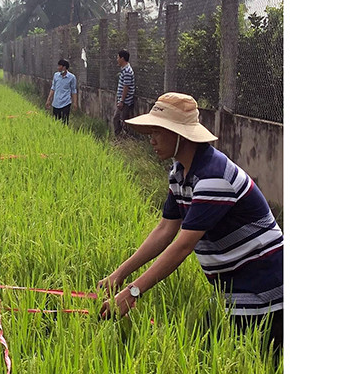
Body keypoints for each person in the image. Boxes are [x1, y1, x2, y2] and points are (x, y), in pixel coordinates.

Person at [98, 92, 283, 353]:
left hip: (263, 287)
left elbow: (183, 246)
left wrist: (133, 292)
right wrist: (120, 273)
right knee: (210, 357)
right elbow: (165, 230)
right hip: (230, 287)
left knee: (248, 367)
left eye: (158, 131)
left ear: (180, 135)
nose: (151, 139)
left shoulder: (213, 177)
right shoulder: (180, 173)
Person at [44, 59, 78, 125]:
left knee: (65, 122)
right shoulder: (56, 75)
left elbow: (74, 91)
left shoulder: (72, 77)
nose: (58, 67)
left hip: (66, 102)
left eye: (60, 66)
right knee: (56, 122)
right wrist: (48, 100)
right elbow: (53, 88)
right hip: (56, 102)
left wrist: (75, 103)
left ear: (64, 67)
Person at [113, 49, 136, 137]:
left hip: (125, 101)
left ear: (122, 58)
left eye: (118, 57)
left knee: (119, 120)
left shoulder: (127, 71)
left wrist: (122, 101)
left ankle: (121, 139)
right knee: (119, 119)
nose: (117, 59)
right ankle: (121, 139)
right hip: (123, 100)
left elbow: (126, 87)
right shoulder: (124, 70)